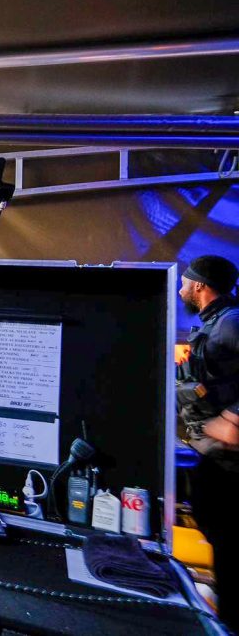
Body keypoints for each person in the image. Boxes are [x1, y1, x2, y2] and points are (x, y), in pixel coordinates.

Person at [176, 254, 239, 631]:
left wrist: (231, 421)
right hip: (215, 462)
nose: (181, 288)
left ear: (200, 285)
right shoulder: (216, 324)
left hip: (230, 468)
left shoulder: (230, 324)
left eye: (185, 281)